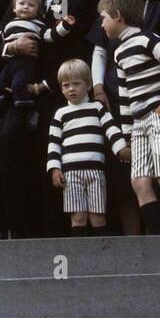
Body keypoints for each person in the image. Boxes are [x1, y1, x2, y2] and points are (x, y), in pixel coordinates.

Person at [88, 0, 160, 237]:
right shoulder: (109, 22)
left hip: (159, 106)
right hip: (130, 107)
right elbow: (99, 51)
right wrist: (99, 87)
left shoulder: (158, 11)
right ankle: (151, 242)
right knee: (137, 180)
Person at [0, 0, 90, 238]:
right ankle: (19, 233)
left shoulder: (70, 4)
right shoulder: (19, 1)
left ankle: (56, 235)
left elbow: (72, 50)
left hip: (53, 97)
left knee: (51, 163)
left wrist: (45, 85)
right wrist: (12, 47)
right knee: (13, 156)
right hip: (16, 96)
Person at [46, 59, 127, 236]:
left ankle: (102, 256)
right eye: (66, 85)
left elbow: (112, 130)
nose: (71, 89)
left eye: (76, 84)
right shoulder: (60, 114)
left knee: (98, 216)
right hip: (70, 174)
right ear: (61, 88)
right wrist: (54, 168)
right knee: (78, 217)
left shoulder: (97, 108)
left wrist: (122, 149)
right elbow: (54, 143)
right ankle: (80, 258)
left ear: (88, 85)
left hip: (95, 171)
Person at [0, 0, 80, 117]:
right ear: (14, 7)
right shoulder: (10, 22)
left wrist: (64, 26)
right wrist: (5, 42)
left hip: (44, 80)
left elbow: (51, 35)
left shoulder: (63, 4)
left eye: (30, 5)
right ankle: (0, 105)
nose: (25, 7)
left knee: (18, 85)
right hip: (11, 66)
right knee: (0, 86)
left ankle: (28, 111)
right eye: (22, 4)